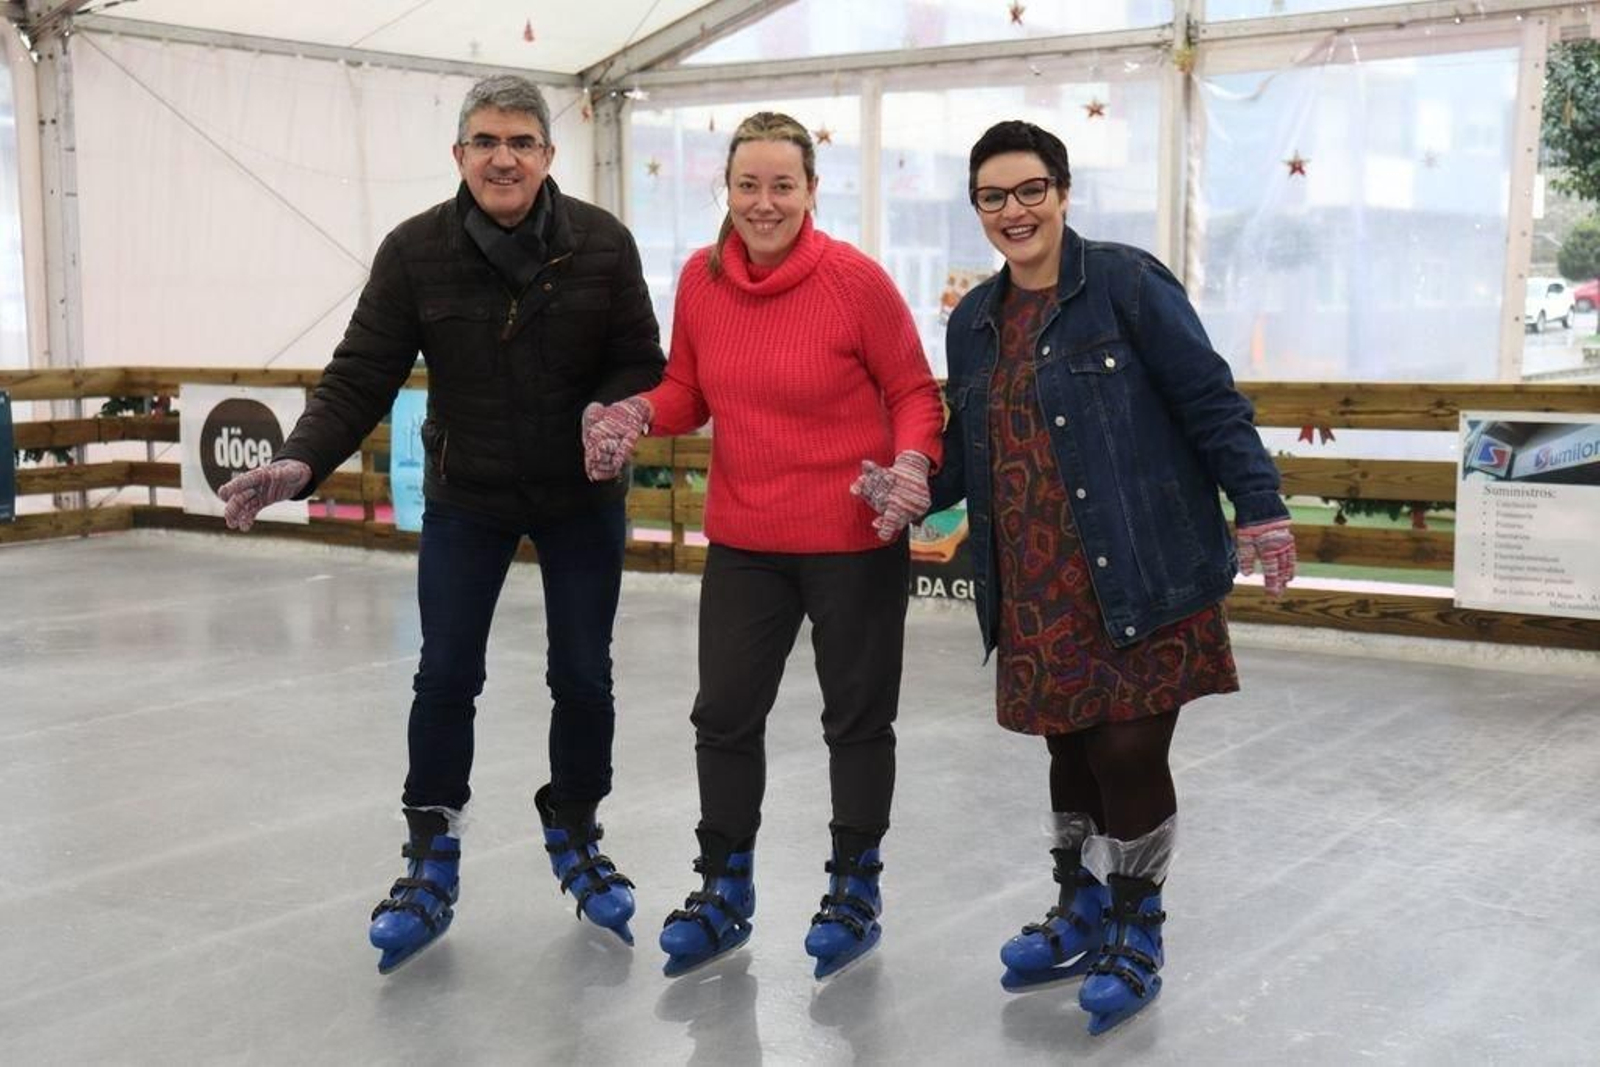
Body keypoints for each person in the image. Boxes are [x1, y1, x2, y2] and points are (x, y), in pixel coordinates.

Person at [217, 75, 665, 971]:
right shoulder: (415, 251)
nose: (505, 157)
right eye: (487, 141)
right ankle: (431, 850)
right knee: (444, 672)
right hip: (472, 493)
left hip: (579, 496)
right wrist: (303, 459)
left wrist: (622, 414)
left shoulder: (603, 245)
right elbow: (359, 375)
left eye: (523, 142)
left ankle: (575, 824)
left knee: (584, 675)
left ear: (548, 156)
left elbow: (639, 359)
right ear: (459, 154)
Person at [860, 120, 1296, 1033]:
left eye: (1029, 191)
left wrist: (1258, 503)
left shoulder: (1128, 284)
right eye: (993, 197)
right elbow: (971, 450)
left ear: (1062, 192)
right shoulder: (973, 320)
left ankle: (1138, 928)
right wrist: (914, 482)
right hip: (1034, 575)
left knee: (1129, 749)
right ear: (976, 208)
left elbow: (1211, 400)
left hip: (1138, 566)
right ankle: (1081, 904)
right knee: (1068, 748)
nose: (1012, 212)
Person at [582, 112, 944, 980]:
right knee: (725, 714)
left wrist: (910, 463)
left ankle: (855, 885)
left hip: (855, 535)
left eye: (783, 185)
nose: (765, 201)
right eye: (749, 184)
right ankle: (725, 886)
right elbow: (687, 388)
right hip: (747, 539)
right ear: (728, 190)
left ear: (812, 191)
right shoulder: (703, 281)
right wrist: (636, 411)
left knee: (855, 717)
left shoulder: (855, 282)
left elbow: (914, 391)